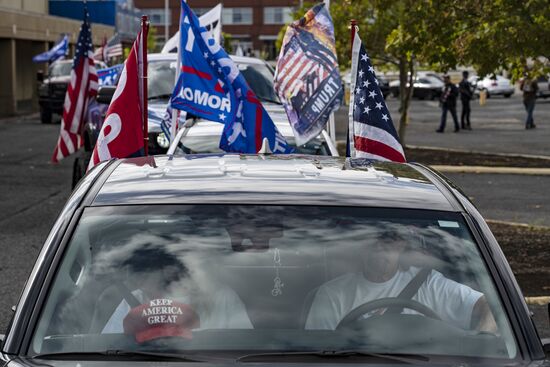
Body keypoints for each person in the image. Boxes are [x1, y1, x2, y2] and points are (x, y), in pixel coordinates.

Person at [305, 229, 497, 332]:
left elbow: (489, 306)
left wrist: (484, 338)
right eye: (374, 238)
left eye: (389, 238)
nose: (381, 246)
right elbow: (319, 354)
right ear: (361, 245)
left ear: (402, 244)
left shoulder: (428, 283)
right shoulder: (333, 294)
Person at [99, 245, 253, 338]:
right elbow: (110, 344)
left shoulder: (222, 298)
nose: (138, 284)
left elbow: (245, 346)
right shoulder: (133, 299)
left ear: (169, 271)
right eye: (136, 278)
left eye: (145, 277)